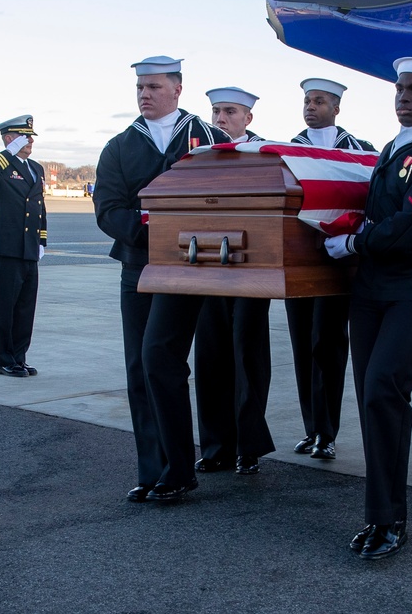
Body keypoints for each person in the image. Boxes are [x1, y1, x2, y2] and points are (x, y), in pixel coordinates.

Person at [324, 57, 412, 559]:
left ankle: (390, 520)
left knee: (385, 389)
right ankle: (380, 513)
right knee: (370, 397)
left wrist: (357, 243)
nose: (404, 97)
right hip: (375, 286)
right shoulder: (394, 148)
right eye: (400, 89)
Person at [93, 55, 227, 503]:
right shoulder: (119, 145)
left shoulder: (209, 139)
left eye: (153, 86)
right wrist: (149, 228)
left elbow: (228, 195)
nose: (145, 94)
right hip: (138, 265)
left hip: (187, 266)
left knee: (159, 357)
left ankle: (177, 469)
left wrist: (175, 230)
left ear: (177, 89)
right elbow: (108, 210)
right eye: (139, 88)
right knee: (139, 368)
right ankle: (153, 470)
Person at [286, 78, 375, 460]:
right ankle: (311, 427)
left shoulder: (360, 151)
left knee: (329, 345)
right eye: (307, 100)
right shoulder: (287, 151)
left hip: (338, 262)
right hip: (298, 262)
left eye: (319, 101)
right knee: (303, 345)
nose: (310, 106)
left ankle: (327, 431)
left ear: (336, 108)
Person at [191, 87, 274, 476]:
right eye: (216, 111)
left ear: (248, 119)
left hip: (253, 266)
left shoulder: (267, 155)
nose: (220, 119)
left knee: (247, 355)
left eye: (229, 111)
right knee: (209, 357)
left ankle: (248, 445)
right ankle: (215, 445)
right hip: (208, 264)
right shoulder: (200, 152)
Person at [0, 116, 47, 377]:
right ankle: (3, 359)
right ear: (9, 138)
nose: (29, 141)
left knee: (25, 305)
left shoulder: (36, 169)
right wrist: (8, 152)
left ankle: (19, 356)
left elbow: (40, 206)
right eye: (24, 136)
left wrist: (41, 239)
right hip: (4, 246)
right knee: (4, 306)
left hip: (28, 247)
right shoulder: (0, 164)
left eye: (30, 137)